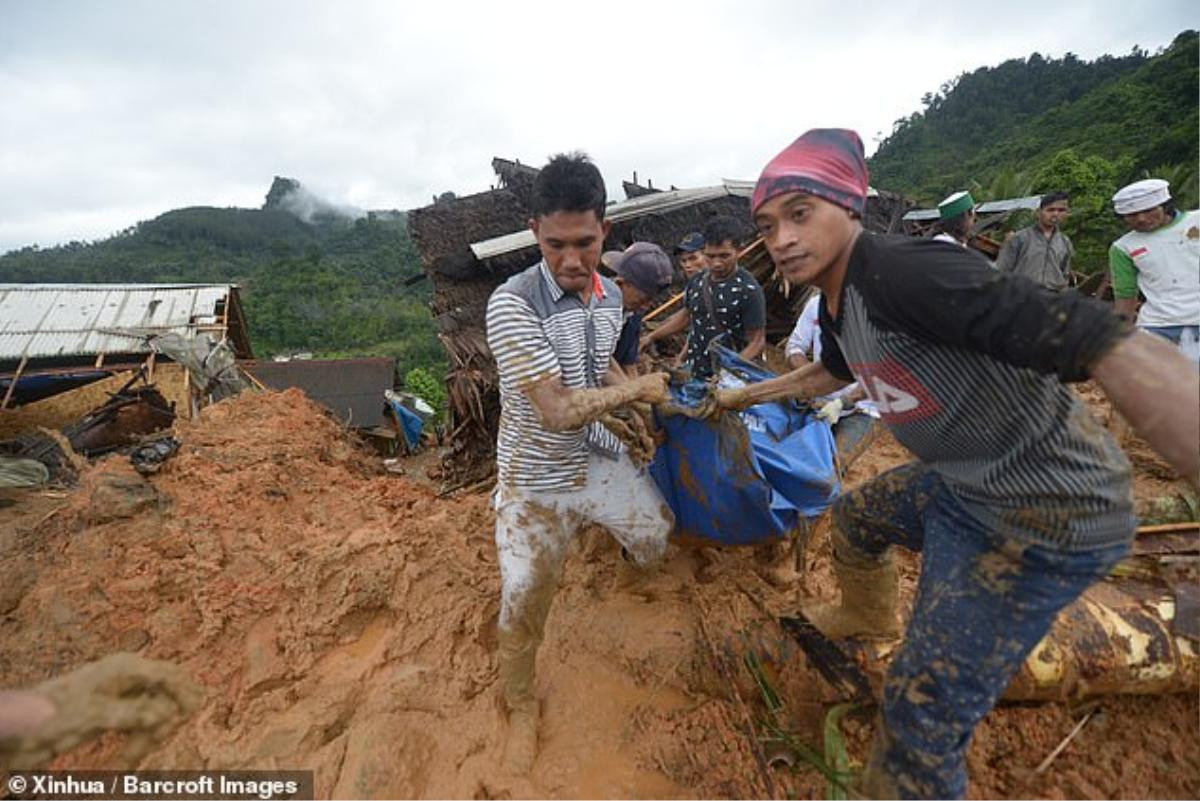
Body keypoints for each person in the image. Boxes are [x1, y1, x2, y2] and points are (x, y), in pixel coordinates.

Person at [717, 128, 1199, 799]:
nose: (782, 238)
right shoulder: (836, 298)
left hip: (1039, 511)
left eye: (801, 213)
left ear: (849, 207)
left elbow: (1106, 343)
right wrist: (742, 394)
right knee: (857, 519)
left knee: (919, 718)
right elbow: (830, 372)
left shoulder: (906, 271)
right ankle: (867, 617)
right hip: (962, 483)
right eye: (768, 225)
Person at [484, 153, 674, 773]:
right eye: (556, 243)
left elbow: (595, 376)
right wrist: (639, 392)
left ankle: (625, 580)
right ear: (535, 231)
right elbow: (559, 409)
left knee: (654, 533)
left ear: (605, 234)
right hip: (534, 481)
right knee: (525, 595)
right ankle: (519, 703)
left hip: (593, 461)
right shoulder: (512, 305)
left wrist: (627, 419)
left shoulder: (607, 300)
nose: (572, 260)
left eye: (585, 243)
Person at [641, 216, 766, 378]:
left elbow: (757, 341)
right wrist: (656, 340)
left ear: (739, 251)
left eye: (724, 256)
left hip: (728, 379)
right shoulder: (697, 281)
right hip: (695, 372)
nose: (716, 263)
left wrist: (729, 372)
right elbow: (691, 319)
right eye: (710, 256)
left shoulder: (748, 289)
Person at [1109, 178, 1200, 359]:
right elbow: (1126, 295)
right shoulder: (1123, 247)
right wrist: (1115, 338)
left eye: (1149, 210)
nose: (1141, 219)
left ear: (1165, 205)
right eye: (1132, 215)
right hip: (1158, 327)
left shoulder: (1196, 221)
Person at [784, 289, 878, 450]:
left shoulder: (885, 318)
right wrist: (812, 380)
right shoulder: (817, 305)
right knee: (794, 455)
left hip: (861, 409)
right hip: (816, 400)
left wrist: (842, 402)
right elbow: (794, 347)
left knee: (834, 467)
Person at [603, 242, 675, 377]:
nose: (646, 306)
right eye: (643, 299)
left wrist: (637, 387)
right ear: (620, 283)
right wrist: (632, 391)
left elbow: (627, 361)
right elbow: (600, 364)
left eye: (651, 300)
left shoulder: (634, 311)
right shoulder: (597, 310)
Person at [994, 191, 1074, 288]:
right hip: (1021, 295)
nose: (1055, 214)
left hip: (1050, 298)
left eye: (1061, 210)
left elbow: (1064, 275)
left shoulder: (1065, 243)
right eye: (1050, 210)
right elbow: (1002, 269)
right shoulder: (1020, 238)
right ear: (1038, 213)